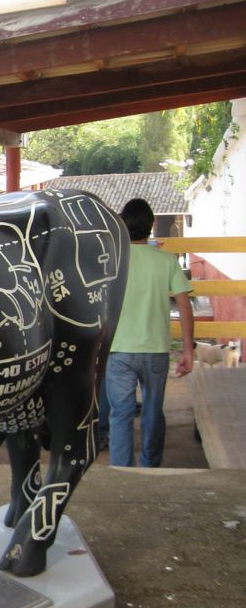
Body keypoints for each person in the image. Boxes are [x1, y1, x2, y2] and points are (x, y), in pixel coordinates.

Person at [105, 198, 194, 468]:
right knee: (153, 412)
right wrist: (188, 349)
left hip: (119, 349)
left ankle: (121, 470)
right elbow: (185, 305)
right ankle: (150, 466)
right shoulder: (166, 261)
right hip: (155, 350)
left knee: (120, 414)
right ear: (153, 225)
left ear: (122, 224)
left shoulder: (112, 261)